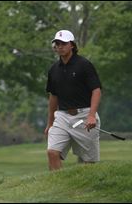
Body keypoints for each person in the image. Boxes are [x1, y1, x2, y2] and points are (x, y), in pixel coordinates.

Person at [45, 30, 102, 170]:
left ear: (72, 45)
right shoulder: (53, 70)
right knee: (52, 152)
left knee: (89, 162)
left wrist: (91, 115)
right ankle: (58, 186)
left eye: (63, 43)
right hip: (62, 117)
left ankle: (89, 189)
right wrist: (50, 123)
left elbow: (96, 90)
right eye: (57, 43)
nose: (60, 46)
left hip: (84, 116)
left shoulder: (84, 65)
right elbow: (53, 97)